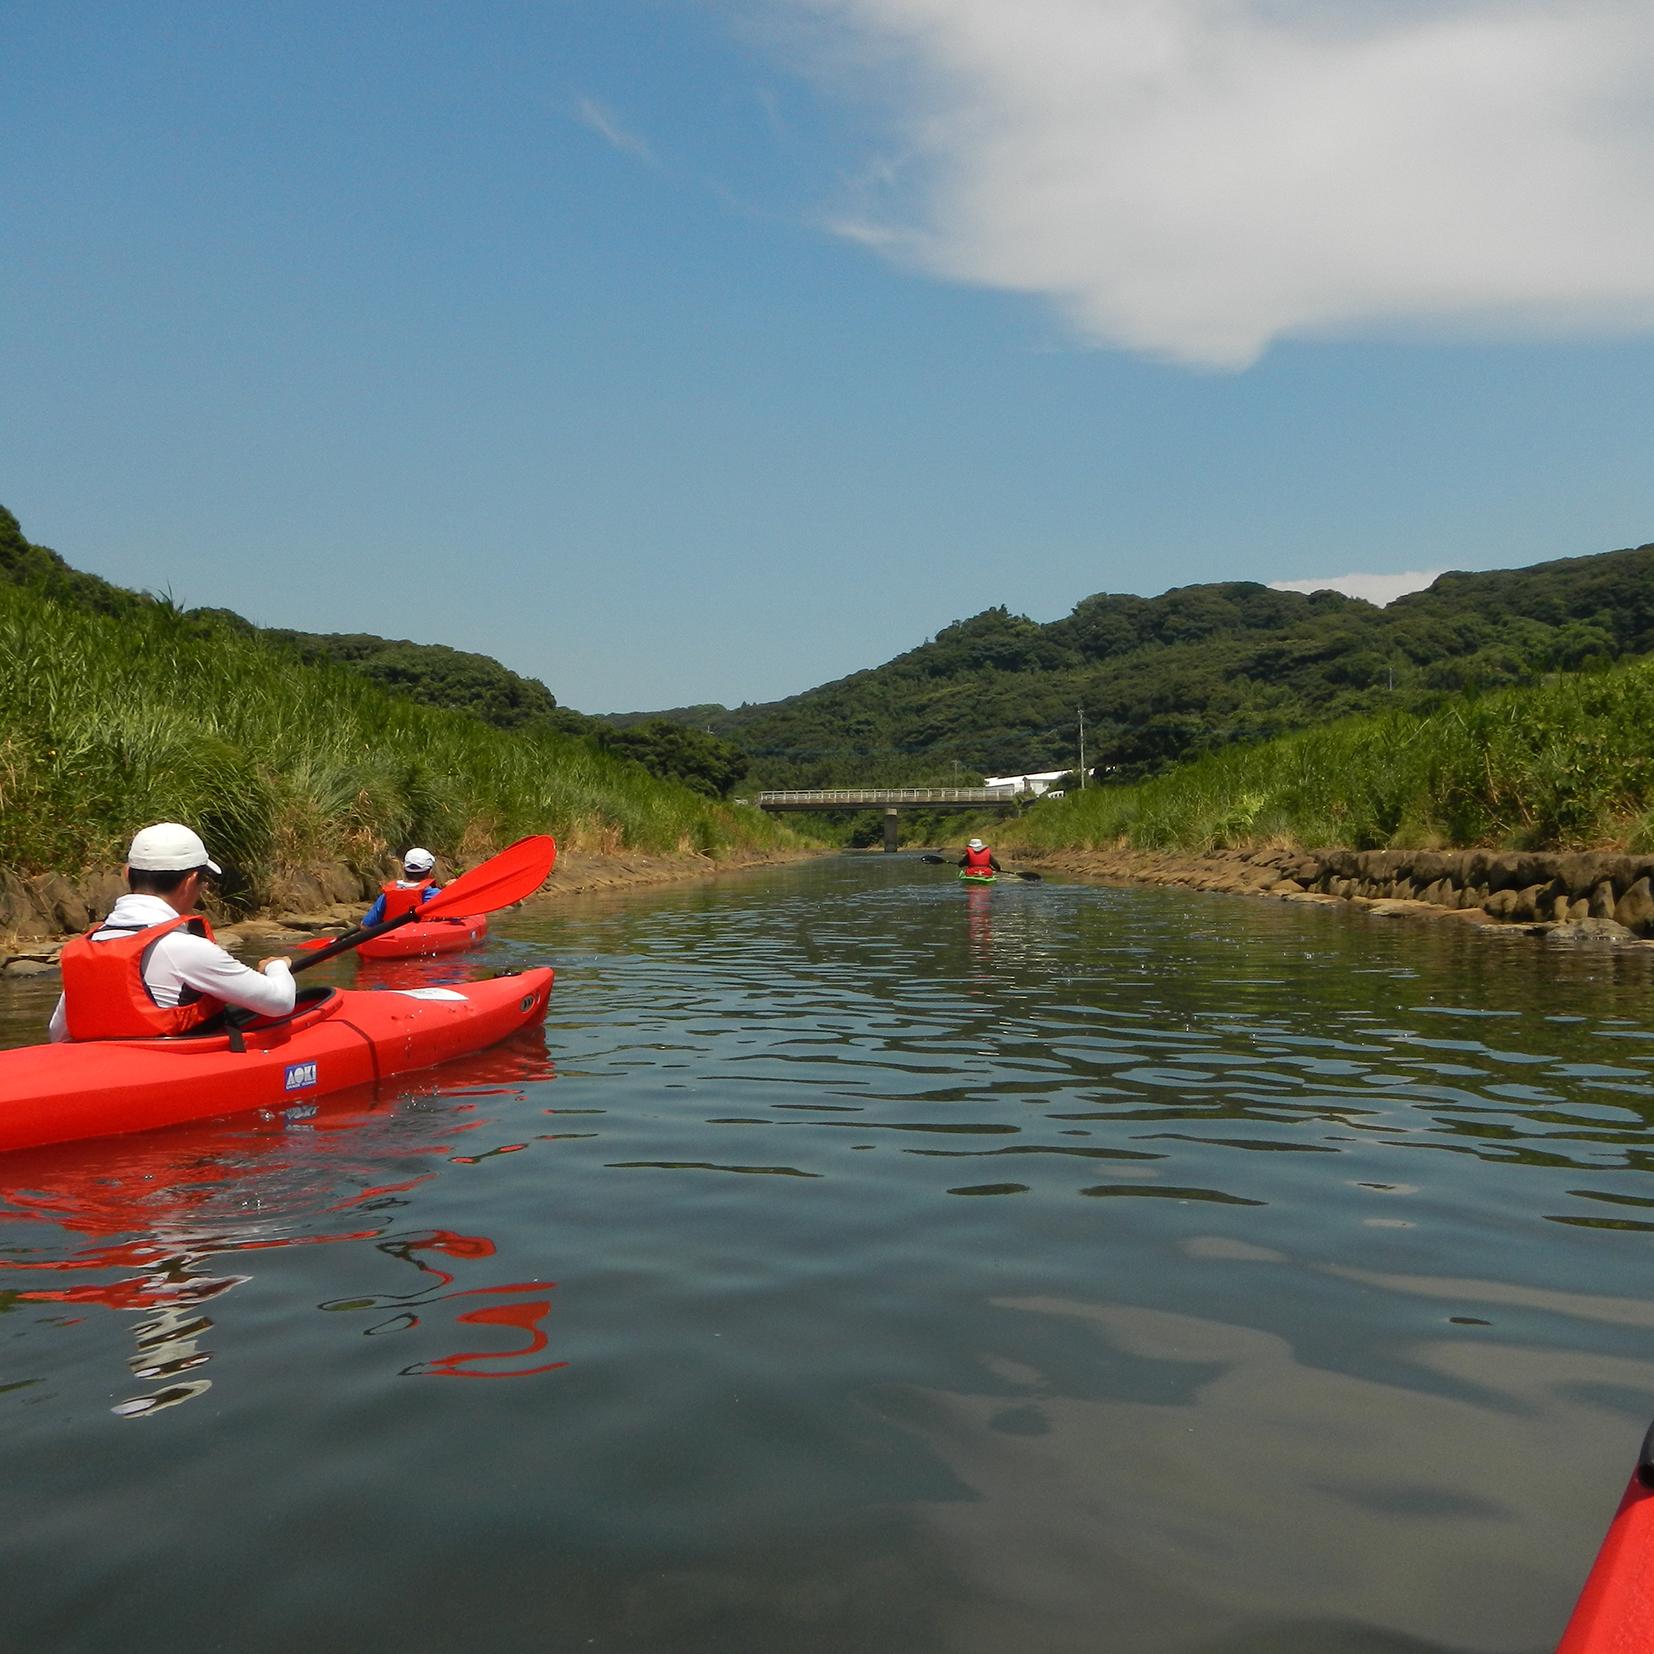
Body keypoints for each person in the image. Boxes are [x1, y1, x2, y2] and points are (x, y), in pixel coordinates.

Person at [48, 822, 294, 1042]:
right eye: (203, 881)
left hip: (105, 1070)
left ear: (127, 874)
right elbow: (280, 1003)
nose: (203, 888)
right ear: (190, 881)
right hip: (165, 1073)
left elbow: (58, 1034)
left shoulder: (86, 949)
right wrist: (277, 966)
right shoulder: (186, 948)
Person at [361, 847, 441, 928]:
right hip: (422, 937)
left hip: (392, 938)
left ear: (404, 869)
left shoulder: (387, 896)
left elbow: (365, 926)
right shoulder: (436, 895)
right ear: (430, 872)